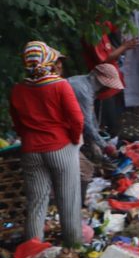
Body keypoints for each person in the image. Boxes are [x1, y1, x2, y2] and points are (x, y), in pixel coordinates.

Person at [8, 41, 84, 246]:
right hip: (60, 147)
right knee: (68, 199)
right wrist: (75, 140)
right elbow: (77, 120)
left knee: (37, 203)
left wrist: (29, 138)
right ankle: (73, 245)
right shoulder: (60, 85)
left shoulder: (17, 89)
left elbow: (17, 124)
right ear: (48, 59)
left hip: (31, 151)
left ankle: (32, 251)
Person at [66, 63, 124, 159]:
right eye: (106, 85)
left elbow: (90, 115)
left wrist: (97, 139)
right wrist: (105, 146)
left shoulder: (84, 83)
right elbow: (86, 122)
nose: (107, 88)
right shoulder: (82, 90)